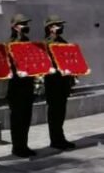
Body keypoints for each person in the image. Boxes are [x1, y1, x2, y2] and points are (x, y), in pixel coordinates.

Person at [44, 15, 76, 150]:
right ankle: (55, 140)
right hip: (53, 83)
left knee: (61, 112)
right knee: (54, 113)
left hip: (63, 82)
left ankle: (60, 137)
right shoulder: (47, 43)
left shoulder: (63, 41)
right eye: (57, 25)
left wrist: (72, 77)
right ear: (50, 28)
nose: (61, 27)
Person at [7, 14, 37, 157]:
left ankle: (24, 145)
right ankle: (17, 147)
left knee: (26, 118)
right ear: (14, 27)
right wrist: (18, 37)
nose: (25, 26)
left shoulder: (28, 41)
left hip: (28, 85)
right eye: (22, 24)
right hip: (16, 87)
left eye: (26, 23)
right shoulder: (10, 43)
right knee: (17, 119)